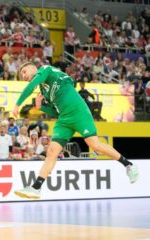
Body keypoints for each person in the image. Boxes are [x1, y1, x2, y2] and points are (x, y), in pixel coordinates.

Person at [12, 62, 139, 199]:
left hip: (78, 111)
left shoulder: (45, 69)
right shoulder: (43, 91)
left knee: (94, 145)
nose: (24, 77)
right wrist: (40, 107)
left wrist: (17, 105)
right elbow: (55, 111)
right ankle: (36, 188)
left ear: (32, 67)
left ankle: (129, 165)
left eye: (24, 72)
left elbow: (31, 86)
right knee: (52, 151)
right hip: (64, 119)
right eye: (22, 76)